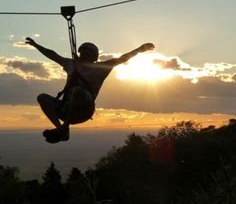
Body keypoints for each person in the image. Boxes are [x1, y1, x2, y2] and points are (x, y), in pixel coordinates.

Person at [25, 37, 155, 143]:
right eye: (83, 52)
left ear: (94, 57)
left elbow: (122, 58)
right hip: (65, 109)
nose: (85, 54)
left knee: (77, 91)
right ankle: (61, 129)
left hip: (84, 110)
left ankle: (64, 127)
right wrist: (36, 45)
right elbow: (53, 55)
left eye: (88, 53)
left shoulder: (101, 68)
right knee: (42, 97)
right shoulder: (71, 64)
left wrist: (140, 49)